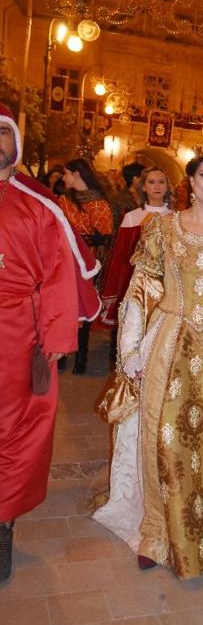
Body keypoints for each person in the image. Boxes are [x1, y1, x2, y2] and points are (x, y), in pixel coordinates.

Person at [94, 140, 203, 579]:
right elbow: (140, 292)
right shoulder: (162, 230)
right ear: (189, 183)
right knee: (166, 437)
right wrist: (131, 349)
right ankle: (157, 532)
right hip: (170, 342)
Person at [0, 107, 100, 582]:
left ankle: (3, 526)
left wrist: (57, 338)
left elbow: (59, 275)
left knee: (14, 431)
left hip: (15, 332)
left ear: (15, 143)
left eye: (2, 133)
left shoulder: (38, 207)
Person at [59, 158, 114, 373]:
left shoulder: (100, 203)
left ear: (77, 174)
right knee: (64, 306)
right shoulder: (63, 200)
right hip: (65, 259)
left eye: (66, 173)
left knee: (84, 305)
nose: (64, 178)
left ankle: (81, 358)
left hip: (89, 261)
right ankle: (63, 353)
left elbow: (104, 238)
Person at [100, 167, 173, 329]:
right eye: (151, 182)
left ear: (167, 186)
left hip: (166, 285)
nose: (157, 186)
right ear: (143, 187)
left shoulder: (176, 218)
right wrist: (111, 290)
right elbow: (118, 257)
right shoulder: (132, 217)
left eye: (161, 182)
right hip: (134, 284)